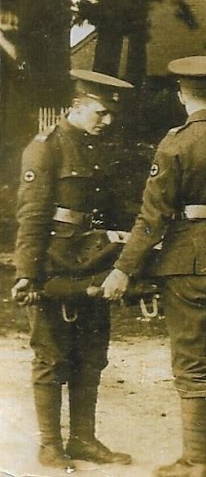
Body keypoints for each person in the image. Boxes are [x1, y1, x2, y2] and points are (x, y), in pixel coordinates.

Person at [101, 56, 206, 477]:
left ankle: (195, 462)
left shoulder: (175, 142)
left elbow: (152, 217)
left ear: (181, 95)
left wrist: (124, 268)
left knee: (193, 364)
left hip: (188, 265)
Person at [11, 70, 135, 470]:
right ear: (78, 106)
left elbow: (112, 212)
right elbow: (31, 216)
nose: (107, 121)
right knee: (51, 357)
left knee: (92, 356)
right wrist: (27, 274)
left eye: (111, 115)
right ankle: (50, 446)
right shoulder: (44, 149)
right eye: (101, 113)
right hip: (55, 269)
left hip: (95, 267)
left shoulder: (99, 149)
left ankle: (83, 439)